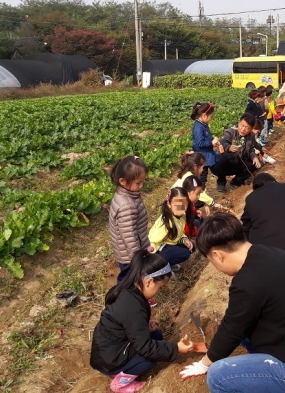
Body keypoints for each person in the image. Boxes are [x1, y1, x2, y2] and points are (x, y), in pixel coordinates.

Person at [179, 214, 285, 392]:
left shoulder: (248, 281)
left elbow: (231, 330)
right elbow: (237, 324)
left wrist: (204, 364)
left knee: (218, 376)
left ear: (217, 255)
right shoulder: (268, 253)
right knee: (247, 328)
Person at [90, 249, 194, 392]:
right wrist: (176, 349)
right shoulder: (133, 307)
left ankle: (123, 369)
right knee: (150, 357)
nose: (160, 291)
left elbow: (123, 324)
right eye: (160, 287)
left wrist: (144, 325)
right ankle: (120, 383)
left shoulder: (127, 291)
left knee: (156, 336)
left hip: (109, 350)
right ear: (149, 281)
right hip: (109, 360)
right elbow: (145, 348)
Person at [109, 156, 150, 285]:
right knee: (129, 278)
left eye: (143, 181)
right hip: (129, 254)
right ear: (123, 181)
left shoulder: (127, 195)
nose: (141, 185)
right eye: (138, 183)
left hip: (128, 250)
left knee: (130, 276)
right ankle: (125, 299)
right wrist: (137, 257)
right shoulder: (127, 205)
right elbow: (129, 237)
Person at [211, 113, 262, 192]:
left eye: (247, 127)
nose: (243, 129)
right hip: (223, 163)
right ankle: (221, 182)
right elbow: (223, 142)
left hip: (237, 161)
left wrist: (254, 157)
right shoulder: (230, 131)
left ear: (251, 128)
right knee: (221, 159)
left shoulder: (251, 136)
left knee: (255, 163)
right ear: (239, 122)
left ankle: (237, 180)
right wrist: (229, 147)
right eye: (242, 125)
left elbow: (251, 149)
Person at [148, 188, 195, 270]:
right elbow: (152, 241)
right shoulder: (166, 223)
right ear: (169, 204)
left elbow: (178, 233)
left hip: (169, 243)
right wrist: (150, 261)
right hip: (159, 248)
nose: (182, 208)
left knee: (191, 247)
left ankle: (167, 263)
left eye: (185, 205)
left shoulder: (180, 217)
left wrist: (184, 239)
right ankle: (160, 266)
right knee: (185, 253)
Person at [191, 102, 220, 185]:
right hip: (201, 156)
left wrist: (212, 140)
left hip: (205, 154)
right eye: (210, 116)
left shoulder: (203, 124)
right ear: (204, 115)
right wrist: (211, 142)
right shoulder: (198, 128)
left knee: (203, 175)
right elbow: (200, 143)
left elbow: (206, 137)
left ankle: (200, 191)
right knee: (201, 177)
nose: (211, 118)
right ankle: (200, 193)